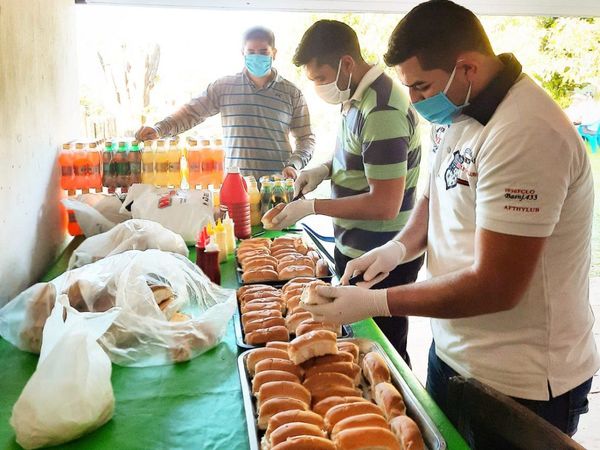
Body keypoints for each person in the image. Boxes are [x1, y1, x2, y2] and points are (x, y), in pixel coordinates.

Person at [302, 1, 599, 446]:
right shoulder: (461, 113)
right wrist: (397, 250)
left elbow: (497, 285)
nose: (417, 101)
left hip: (521, 382)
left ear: (467, 68)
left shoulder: (525, 132)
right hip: (455, 354)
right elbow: (432, 199)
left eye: (422, 86)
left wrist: (377, 303)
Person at [266, 20, 423, 364]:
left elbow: (385, 203)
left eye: (321, 78)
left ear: (347, 64)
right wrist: (322, 170)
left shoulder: (382, 109)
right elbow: (356, 158)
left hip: (382, 257)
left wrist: (312, 208)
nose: (320, 87)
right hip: (355, 247)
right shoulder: (356, 96)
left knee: (383, 353)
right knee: (352, 347)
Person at [135, 26, 315, 181]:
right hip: (236, 186)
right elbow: (191, 113)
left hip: (277, 187)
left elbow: (306, 139)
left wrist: (294, 165)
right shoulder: (224, 87)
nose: (257, 57)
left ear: (274, 53)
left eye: (263, 52)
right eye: (251, 52)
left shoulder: (292, 93)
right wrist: (159, 129)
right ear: (242, 53)